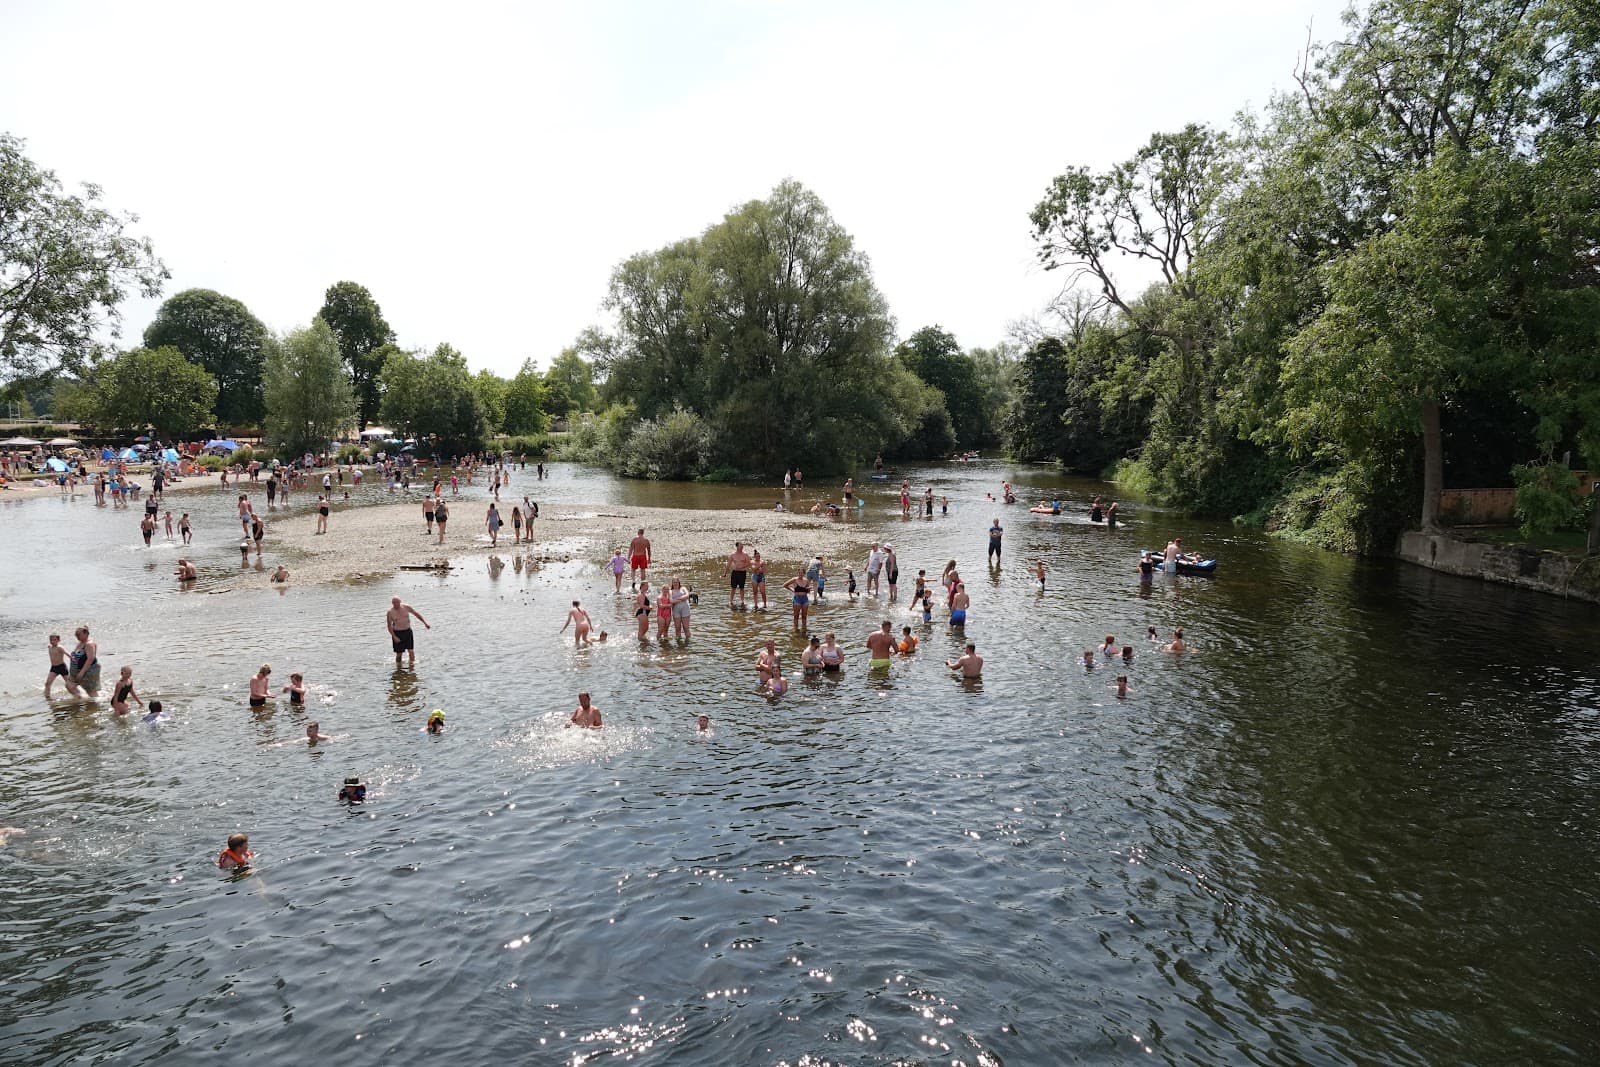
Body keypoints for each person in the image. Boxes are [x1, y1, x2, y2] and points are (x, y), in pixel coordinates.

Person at [386, 597, 431, 667]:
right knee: (399, 654)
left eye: (397, 602)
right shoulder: (390, 612)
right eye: (394, 603)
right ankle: (399, 669)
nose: (396, 604)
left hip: (408, 631)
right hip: (397, 633)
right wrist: (394, 637)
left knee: (411, 651)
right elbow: (389, 626)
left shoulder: (406, 607)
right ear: (392, 603)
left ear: (400, 602)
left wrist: (425, 623)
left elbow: (416, 614)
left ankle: (412, 669)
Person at [65, 626, 100, 696]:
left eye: (78, 634)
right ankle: (80, 698)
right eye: (76, 635)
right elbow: (77, 654)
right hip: (76, 670)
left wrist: (82, 672)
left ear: (86, 633)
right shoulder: (80, 643)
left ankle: (96, 702)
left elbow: (91, 659)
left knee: (91, 691)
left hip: (87, 671)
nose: (77, 637)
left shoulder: (89, 644)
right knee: (69, 685)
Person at [726, 542, 752, 609]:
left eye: (742, 546)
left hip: (742, 572)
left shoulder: (745, 555)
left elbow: (749, 563)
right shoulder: (733, 555)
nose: (742, 547)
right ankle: (731, 601)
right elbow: (728, 564)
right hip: (735, 572)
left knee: (742, 588)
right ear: (737, 547)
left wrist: (742, 566)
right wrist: (725, 573)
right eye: (740, 546)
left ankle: (742, 601)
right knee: (733, 587)